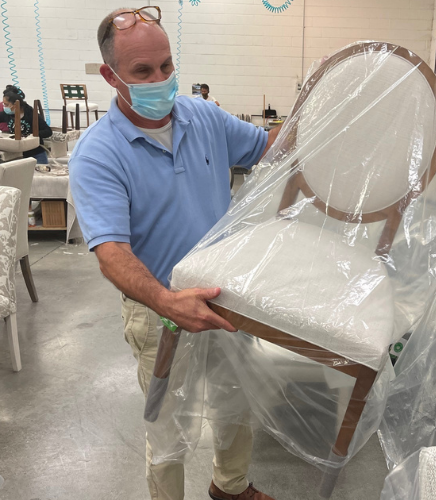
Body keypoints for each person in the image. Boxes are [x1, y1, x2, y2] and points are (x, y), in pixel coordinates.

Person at [69, 6, 281, 500]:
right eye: (143, 71)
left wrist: (326, 120)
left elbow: (268, 147)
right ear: (111, 76)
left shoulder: (203, 118)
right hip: (159, 314)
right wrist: (166, 302)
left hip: (225, 296)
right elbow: (112, 253)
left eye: (166, 65)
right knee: (167, 426)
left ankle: (230, 487)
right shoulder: (100, 153)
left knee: (235, 404)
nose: (160, 79)